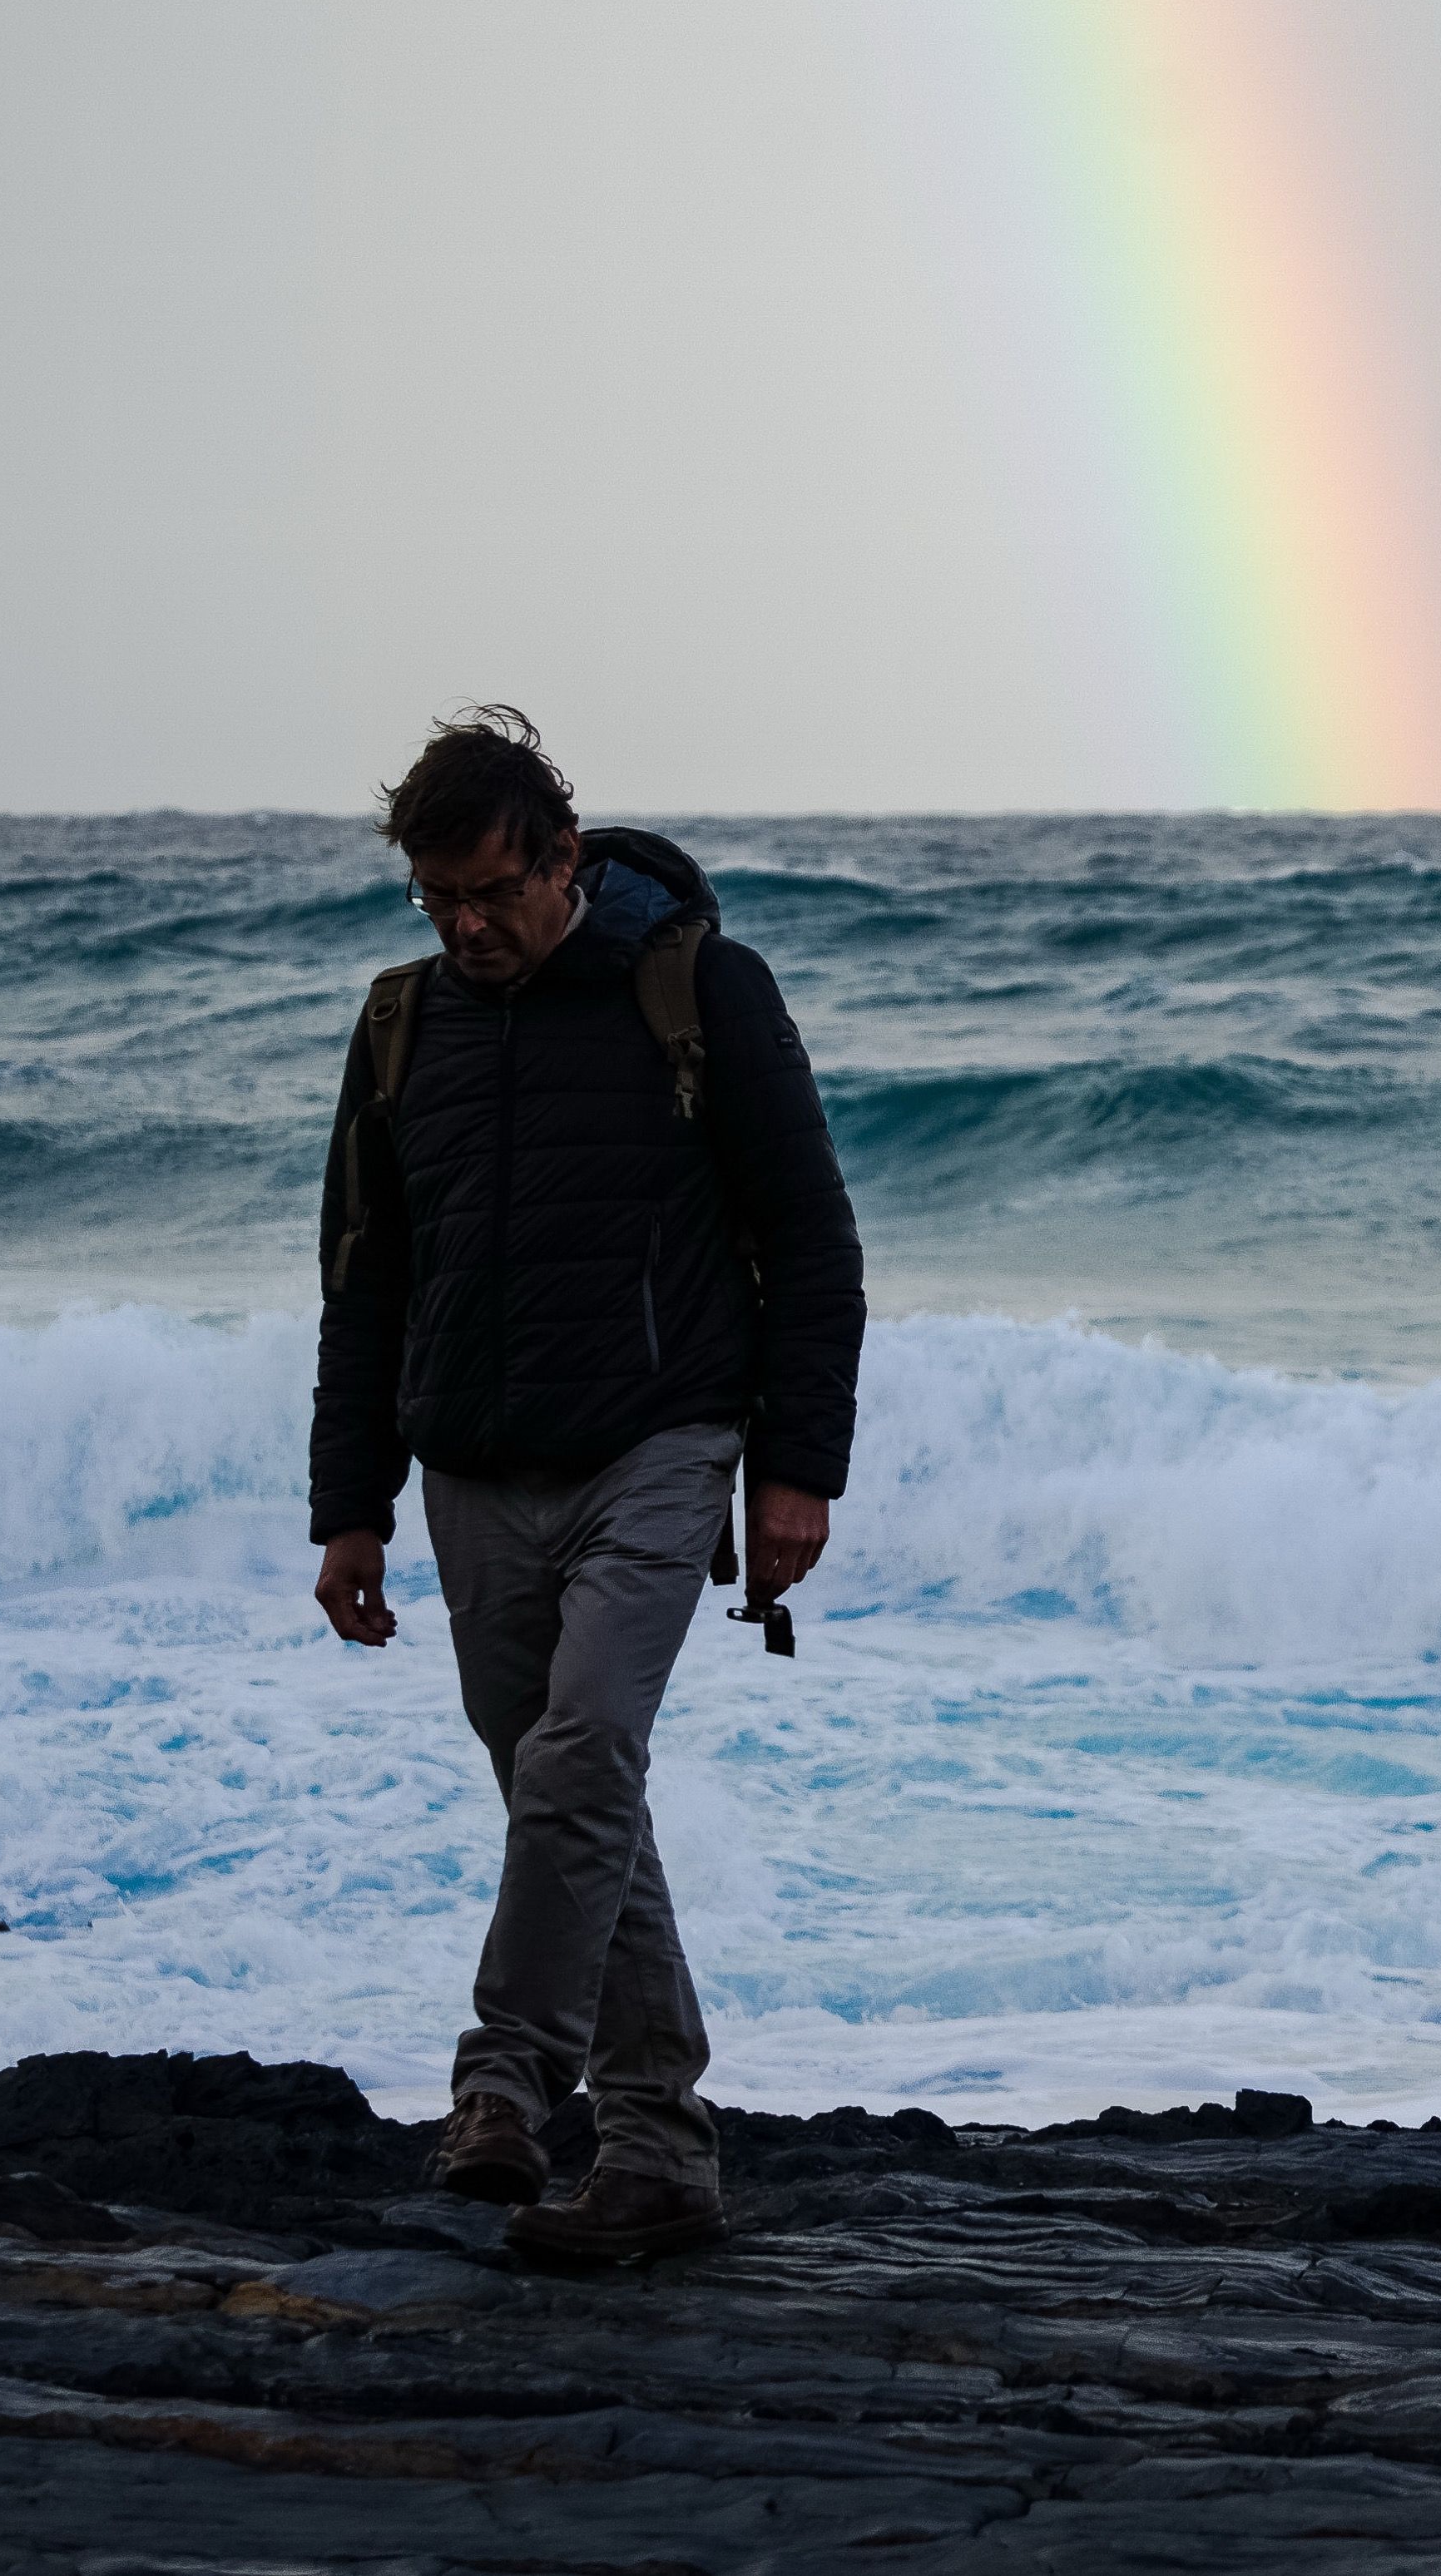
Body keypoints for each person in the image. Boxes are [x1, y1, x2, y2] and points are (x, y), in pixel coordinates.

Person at [307, 706, 864, 2266]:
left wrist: (796, 1472)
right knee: (574, 1795)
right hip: (471, 1469)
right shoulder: (403, 1021)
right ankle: (658, 2153)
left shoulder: (692, 989)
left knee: (578, 1763)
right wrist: (347, 1501)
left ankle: (499, 2087)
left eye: (492, 893)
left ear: (563, 854)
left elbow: (812, 1241)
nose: (467, 928)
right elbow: (365, 1277)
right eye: (439, 903)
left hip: (660, 1441)